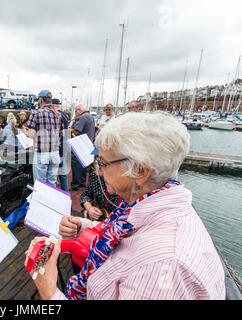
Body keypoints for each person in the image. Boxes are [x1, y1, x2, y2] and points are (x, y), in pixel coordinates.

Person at [25, 112, 225, 300]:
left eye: (103, 163)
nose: (99, 172)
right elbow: (125, 233)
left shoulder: (161, 267)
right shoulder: (145, 201)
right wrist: (83, 226)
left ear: (140, 171)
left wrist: (49, 290)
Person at [22, 89, 63, 187]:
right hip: (55, 153)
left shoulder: (36, 113)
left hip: (42, 153)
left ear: (40, 100)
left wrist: (24, 131)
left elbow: (31, 135)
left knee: (40, 184)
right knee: (52, 183)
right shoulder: (58, 115)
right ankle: (50, 202)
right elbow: (61, 134)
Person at [68, 104, 95, 190]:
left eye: (76, 111)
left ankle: (75, 185)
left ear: (79, 110)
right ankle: (82, 182)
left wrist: (70, 130)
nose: (75, 113)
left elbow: (76, 131)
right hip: (88, 143)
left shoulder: (82, 117)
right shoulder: (90, 117)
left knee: (76, 164)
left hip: (80, 145)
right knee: (84, 165)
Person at [53, 98, 69, 192]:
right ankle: (65, 194)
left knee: (59, 172)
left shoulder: (57, 115)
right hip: (64, 144)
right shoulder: (64, 114)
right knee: (63, 172)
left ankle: (62, 195)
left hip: (59, 147)